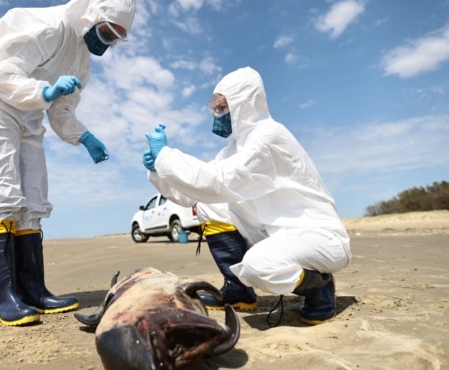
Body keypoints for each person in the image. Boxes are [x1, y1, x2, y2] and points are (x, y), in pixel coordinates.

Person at [0, 0, 137, 326]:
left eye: (117, 38)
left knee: (33, 201)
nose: (109, 42)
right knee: (0, 195)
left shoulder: (81, 61)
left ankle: (34, 290)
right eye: (108, 32)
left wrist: (84, 137)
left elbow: (62, 109)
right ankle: (5, 299)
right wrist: (44, 90)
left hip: (28, 116)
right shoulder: (50, 26)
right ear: (91, 16)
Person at [142, 66, 351, 325]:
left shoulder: (268, 137)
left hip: (318, 238)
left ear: (243, 104)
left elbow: (217, 181)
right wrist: (157, 173)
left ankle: (319, 286)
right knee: (209, 206)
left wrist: (165, 156)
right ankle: (238, 289)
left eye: (221, 108)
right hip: (277, 233)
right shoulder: (235, 148)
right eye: (215, 108)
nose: (216, 114)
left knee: (257, 266)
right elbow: (196, 194)